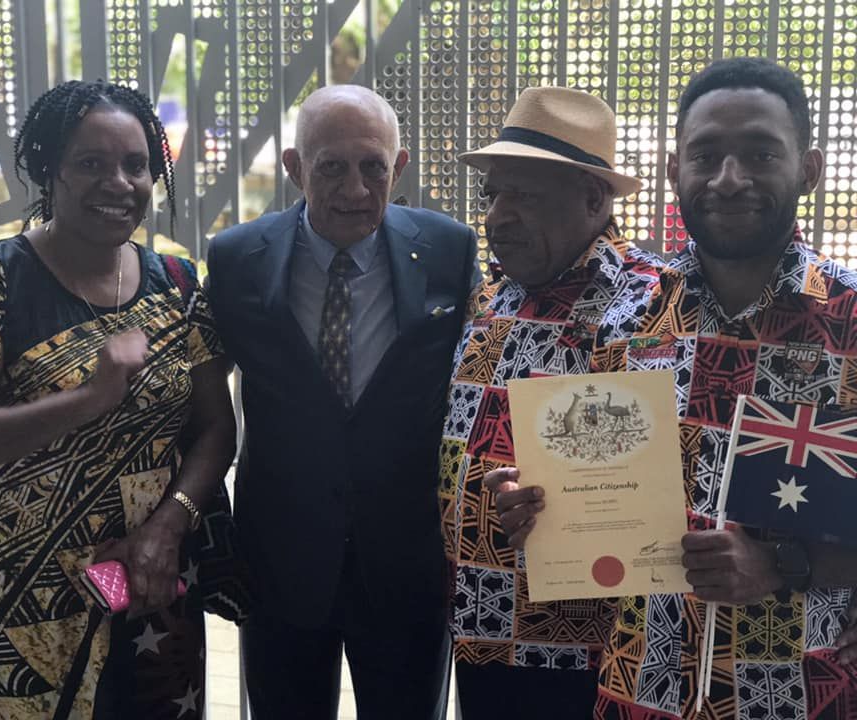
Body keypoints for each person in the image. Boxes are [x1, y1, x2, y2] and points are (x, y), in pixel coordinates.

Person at [488, 58, 857, 719]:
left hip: (798, 693)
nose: (729, 179)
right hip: (641, 691)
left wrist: (783, 564)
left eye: (760, 154)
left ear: (809, 169)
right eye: (706, 155)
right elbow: (591, 499)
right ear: (672, 171)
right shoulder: (618, 320)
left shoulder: (849, 322)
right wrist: (537, 510)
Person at [0, 80, 241, 719]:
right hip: (26, 610)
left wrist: (168, 526)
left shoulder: (176, 285)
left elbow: (215, 429)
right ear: (50, 170)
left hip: (151, 592)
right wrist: (89, 397)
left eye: (136, 165)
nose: (118, 183)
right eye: (91, 163)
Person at [206, 84, 479, 719]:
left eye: (373, 167)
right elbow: (199, 395)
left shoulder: (450, 249)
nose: (355, 189)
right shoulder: (237, 258)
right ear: (295, 167)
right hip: (282, 563)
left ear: (398, 167)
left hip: (406, 563)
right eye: (331, 167)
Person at [438, 86, 662, 719]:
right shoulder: (493, 298)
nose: (497, 217)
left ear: (593, 199)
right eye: (493, 196)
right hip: (480, 623)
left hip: (583, 650)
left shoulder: (652, 307)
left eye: (525, 196)